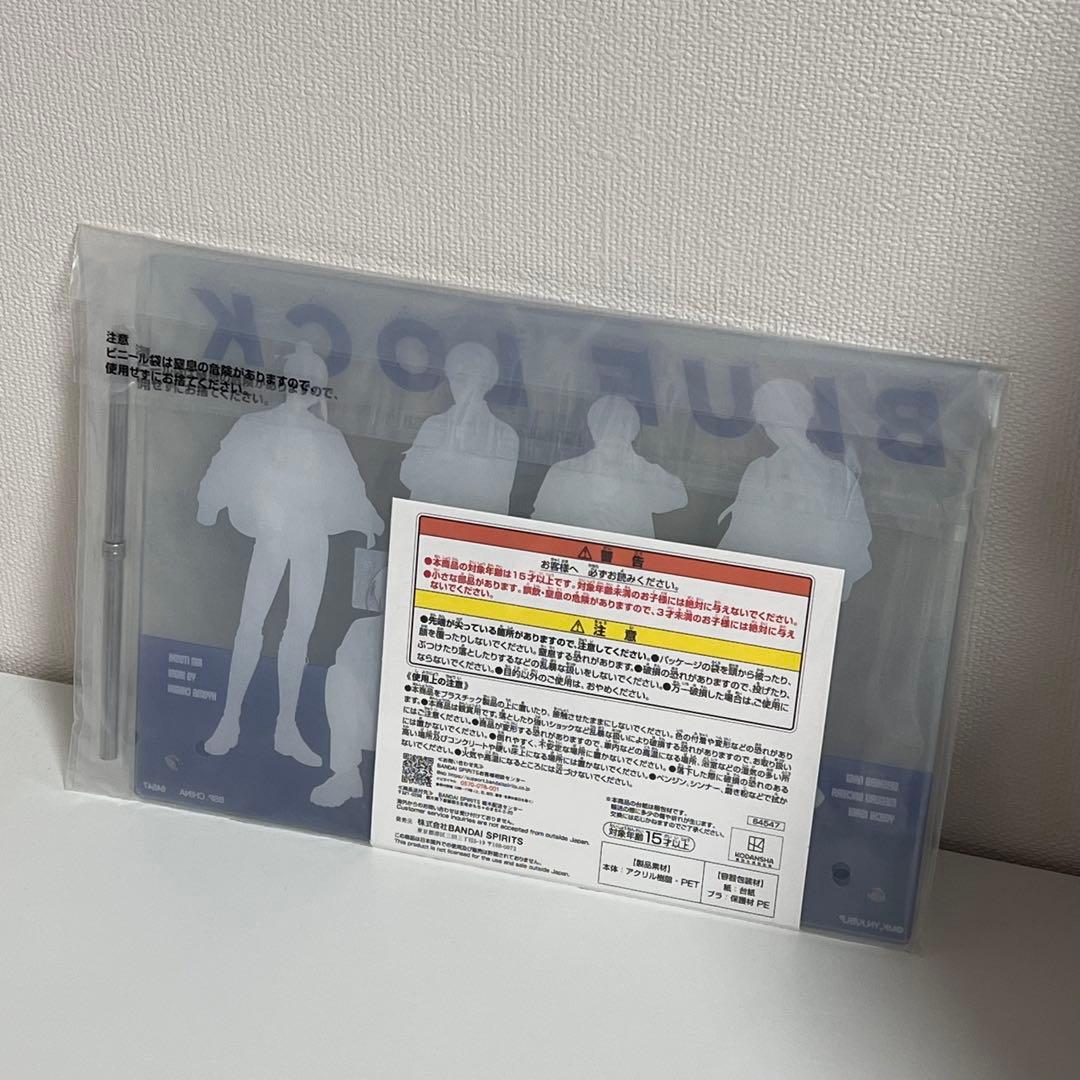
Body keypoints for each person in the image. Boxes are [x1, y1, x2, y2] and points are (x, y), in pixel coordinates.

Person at [196, 342, 384, 764]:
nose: (304, 388)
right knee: (250, 626)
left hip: (312, 539)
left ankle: (286, 727)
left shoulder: (329, 438)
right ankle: (229, 720)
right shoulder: (255, 425)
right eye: (298, 379)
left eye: (313, 382)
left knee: (299, 631)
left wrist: (371, 522)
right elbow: (225, 464)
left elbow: (350, 486)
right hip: (272, 534)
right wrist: (209, 502)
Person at [718, 379, 871, 601]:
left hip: (813, 597)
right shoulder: (760, 470)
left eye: (784, 421)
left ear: (805, 417)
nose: (778, 432)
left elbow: (854, 545)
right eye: (769, 424)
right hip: (756, 593)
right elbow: (740, 539)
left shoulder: (837, 476)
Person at [531, 394, 687, 537]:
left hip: (630, 555)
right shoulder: (563, 472)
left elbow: (679, 497)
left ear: (633, 433)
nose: (614, 434)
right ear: (594, 430)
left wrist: (638, 467)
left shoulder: (645, 474)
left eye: (622, 427)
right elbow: (539, 525)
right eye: (607, 426)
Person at [400, 341, 520, 514]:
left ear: (485, 383)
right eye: (454, 378)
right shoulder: (434, 425)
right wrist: (444, 454)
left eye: (466, 378)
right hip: (427, 522)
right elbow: (408, 476)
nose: (459, 386)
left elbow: (497, 494)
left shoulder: (505, 435)